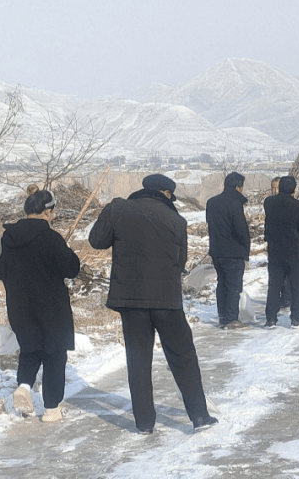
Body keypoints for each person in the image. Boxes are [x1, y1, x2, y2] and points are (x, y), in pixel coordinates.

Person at [89, 173, 217, 434]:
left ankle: (144, 423)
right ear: (167, 194)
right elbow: (180, 264)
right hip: (166, 301)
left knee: (138, 359)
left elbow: (96, 241)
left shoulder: (119, 209)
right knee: (183, 356)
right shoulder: (176, 221)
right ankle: (199, 417)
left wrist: (109, 211)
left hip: (130, 300)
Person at [0, 186, 81, 422]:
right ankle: (51, 408)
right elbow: (72, 268)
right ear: (48, 212)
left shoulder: (7, 239)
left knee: (30, 349)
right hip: (52, 308)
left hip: (19, 306)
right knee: (54, 353)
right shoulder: (51, 238)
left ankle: (23, 386)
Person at [263, 175, 299, 328]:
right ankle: (296, 318)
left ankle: (271, 319)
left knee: (274, 286)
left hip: (275, 253)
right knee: (297, 287)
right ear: (294, 189)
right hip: (295, 254)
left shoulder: (269, 203)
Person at [206, 171, 251, 329]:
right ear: (238, 187)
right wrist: (246, 250)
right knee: (233, 286)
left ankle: (223, 316)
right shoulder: (234, 204)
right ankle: (232, 319)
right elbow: (241, 230)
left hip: (217, 251)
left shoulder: (211, 202)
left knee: (222, 283)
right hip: (233, 252)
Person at [269, 176, 290, 312]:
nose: (275, 191)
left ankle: (287, 296)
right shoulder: (269, 203)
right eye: (273, 188)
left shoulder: (288, 203)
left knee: (286, 272)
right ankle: (279, 297)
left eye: (277, 188)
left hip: (287, 243)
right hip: (274, 244)